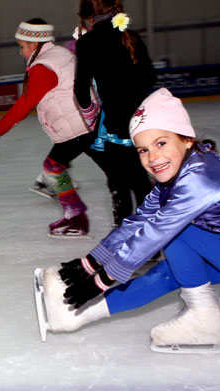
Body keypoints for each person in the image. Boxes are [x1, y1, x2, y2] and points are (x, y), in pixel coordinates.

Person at [37, 88, 220, 352]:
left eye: (161, 143)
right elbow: (138, 220)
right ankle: (74, 316)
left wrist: (100, 280)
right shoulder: (176, 177)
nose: (152, 158)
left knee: (174, 231)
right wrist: (87, 264)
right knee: (169, 273)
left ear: (186, 139)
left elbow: (159, 229)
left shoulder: (203, 178)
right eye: (142, 150)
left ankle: (203, 315)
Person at [0, 18, 100, 238]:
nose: (20, 52)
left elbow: (26, 103)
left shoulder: (44, 66)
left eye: (21, 46)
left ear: (33, 43)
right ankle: (76, 216)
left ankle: (77, 218)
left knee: (53, 167)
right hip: (87, 121)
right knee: (114, 165)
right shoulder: (60, 54)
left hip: (77, 126)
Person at [74, 0, 156, 226]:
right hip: (141, 119)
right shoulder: (132, 36)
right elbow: (150, 76)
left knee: (118, 179)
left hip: (113, 120)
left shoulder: (87, 42)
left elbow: (81, 89)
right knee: (140, 177)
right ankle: (147, 233)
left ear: (89, 16)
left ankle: (122, 231)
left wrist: (91, 115)